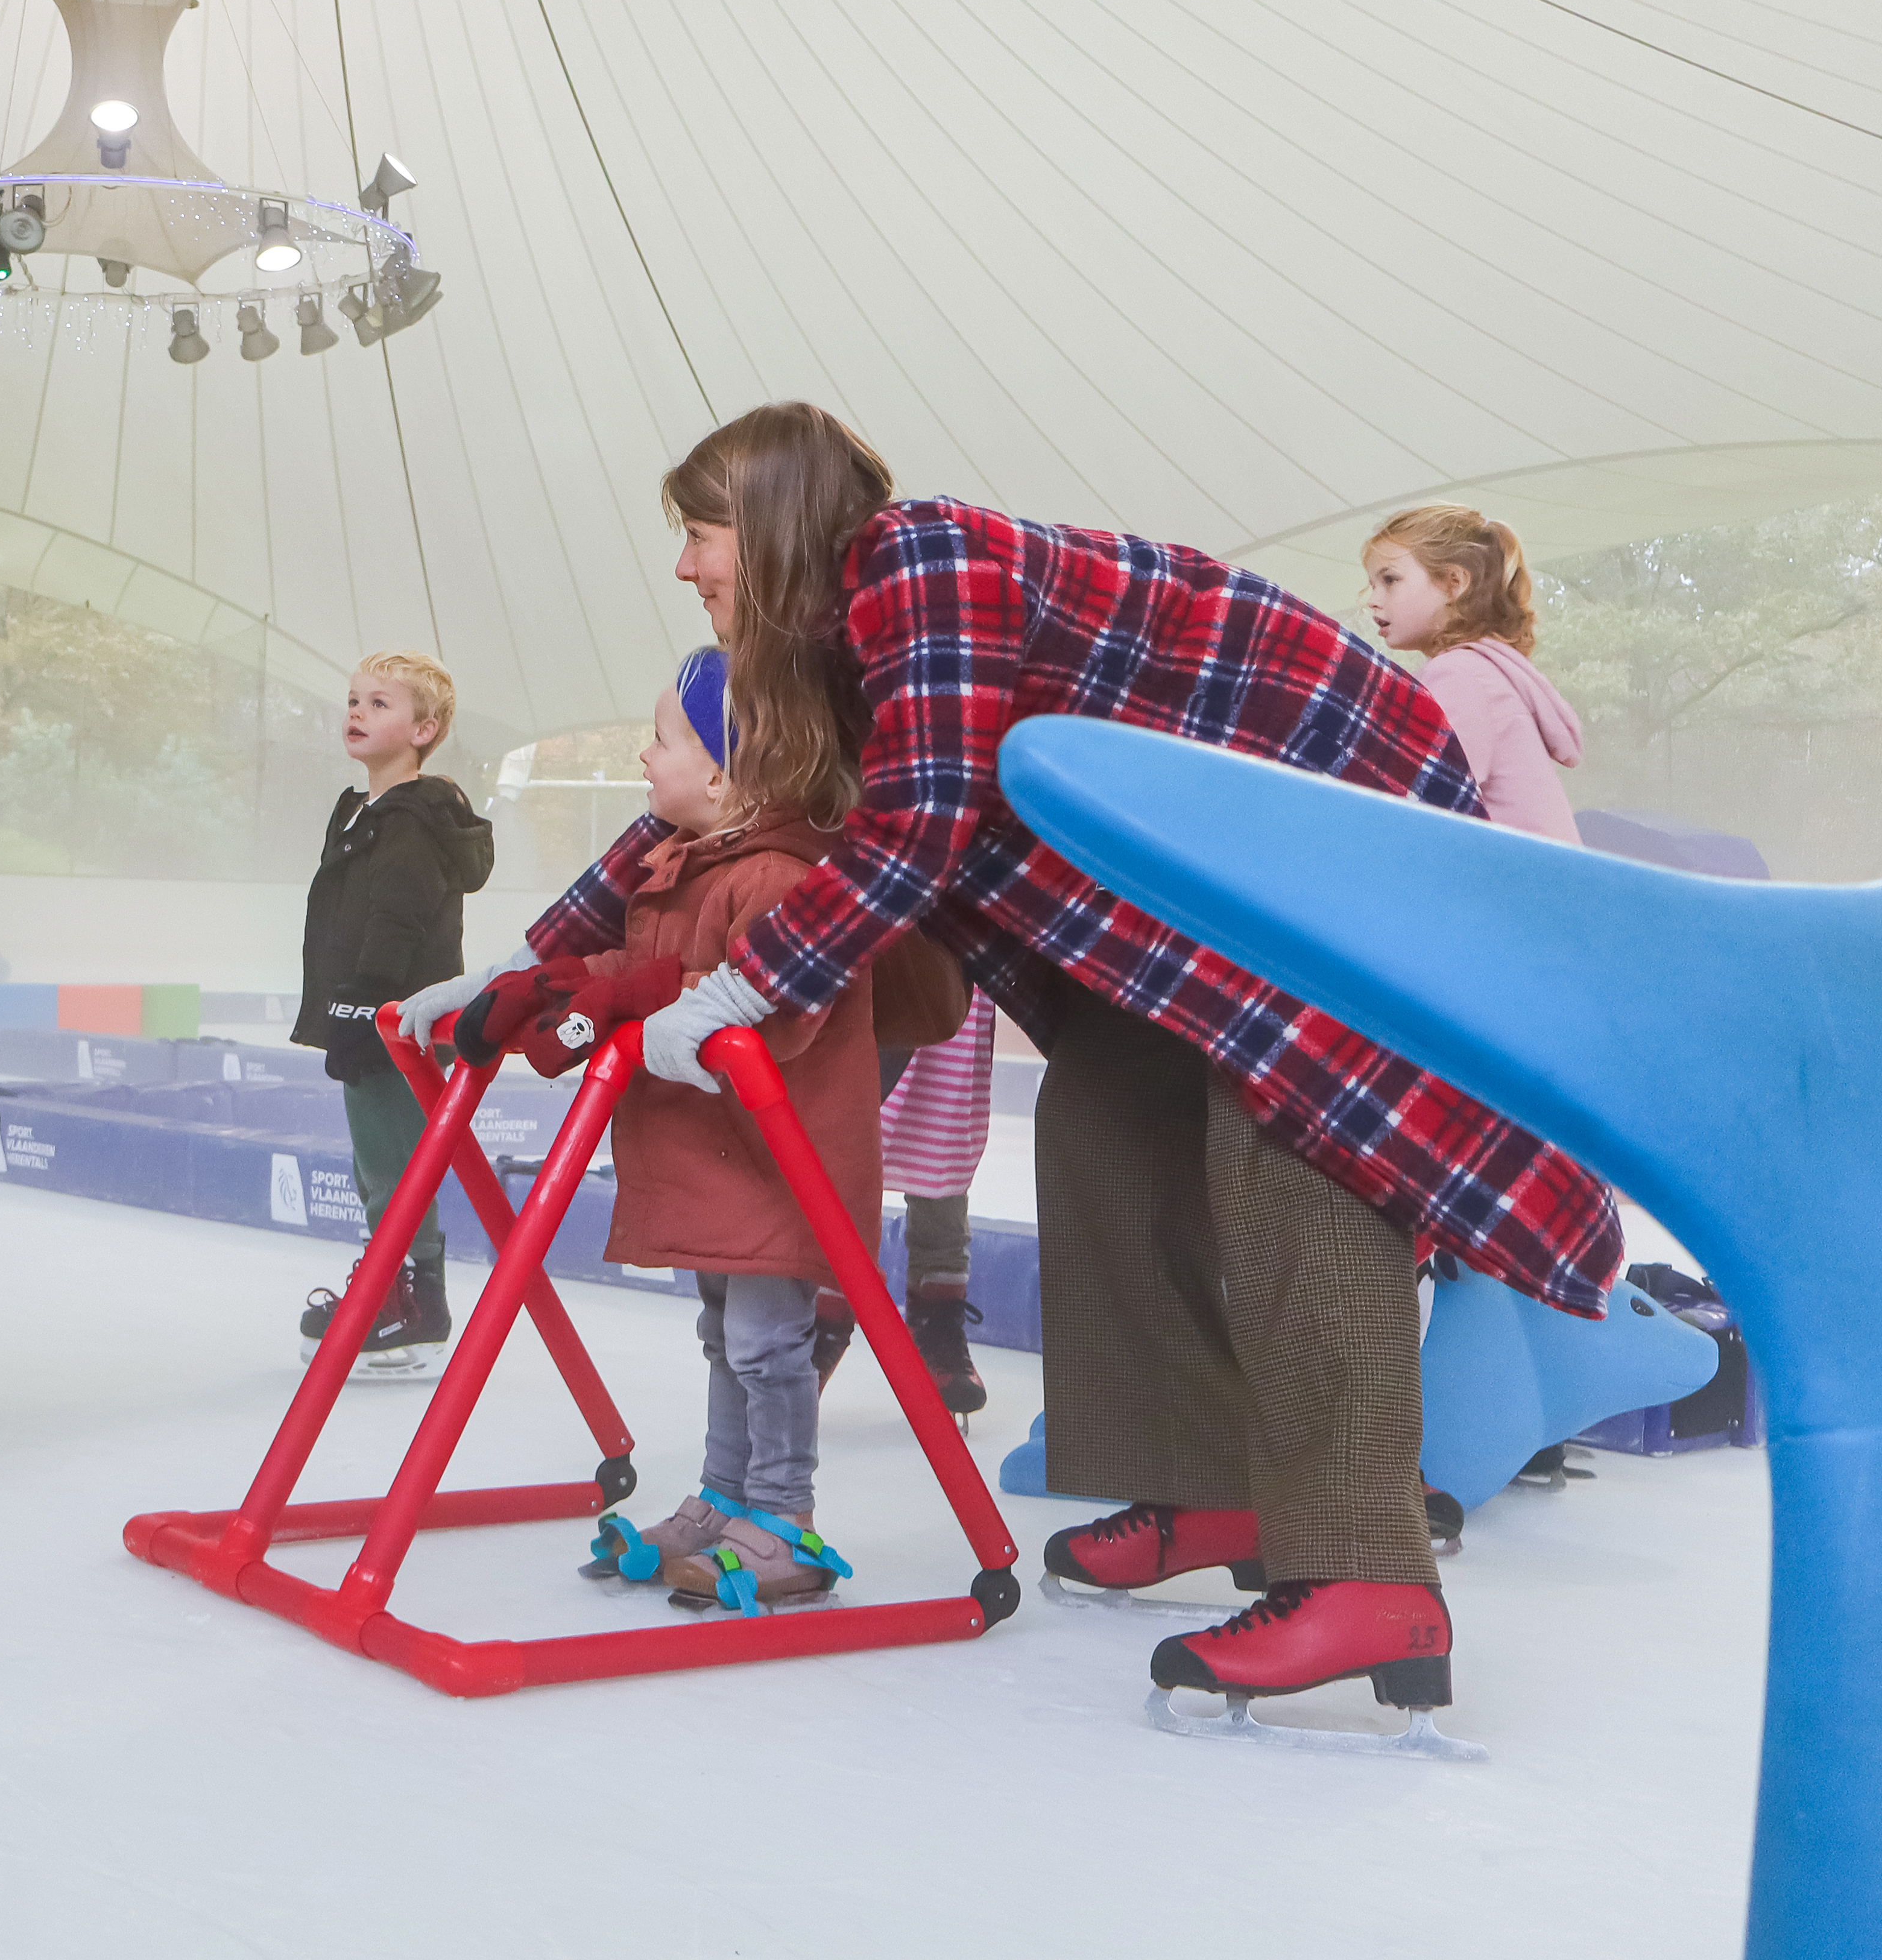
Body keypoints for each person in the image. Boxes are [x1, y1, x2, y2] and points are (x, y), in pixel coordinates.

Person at [406, 403, 1621, 1727]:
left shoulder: (919, 564)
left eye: (701, 533)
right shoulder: (815, 650)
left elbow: (921, 820)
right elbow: (710, 817)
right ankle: (1213, 1481)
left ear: (774, 523)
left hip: (1322, 808)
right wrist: (520, 964)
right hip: (1190, 877)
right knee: (1104, 1108)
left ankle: (1369, 1577)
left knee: (1300, 1141)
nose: (686, 565)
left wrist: (743, 986)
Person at [551, 648, 883, 1612]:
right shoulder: (687, 869)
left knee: (767, 1347)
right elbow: (641, 965)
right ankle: (726, 1498)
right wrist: (560, 987)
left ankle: (785, 1518)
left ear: (730, 773)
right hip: (720, 1158)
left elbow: (781, 1005)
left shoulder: (776, 876)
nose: (644, 757)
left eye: (663, 739)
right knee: (723, 1337)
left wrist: (645, 995)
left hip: (778, 1165)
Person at [286, 654, 496, 1368]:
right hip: (369, 1015)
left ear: (423, 730)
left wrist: (360, 1005)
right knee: (379, 1162)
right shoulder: (364, 813)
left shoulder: (411, 821)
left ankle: (410, 1300)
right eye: (354, 699)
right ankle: (399, 1290)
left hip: (396, 1023)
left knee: (394, 1166)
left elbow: (395, 920)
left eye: (379, 703)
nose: (356, 712)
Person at [1362, 506, 1583, 843]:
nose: (1373, 600)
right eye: (1372, 585)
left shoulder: (1459, 676)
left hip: (1509, 874)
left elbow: (1424, 796)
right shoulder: (1483, 670)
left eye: (1390, 580)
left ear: (1454, 584)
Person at [873, 994, 996, 1413]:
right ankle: (819, 1325)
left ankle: (936, 1321)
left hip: (953, 990)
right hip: (866, 984)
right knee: (843, 1158)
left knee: (942, 1152)